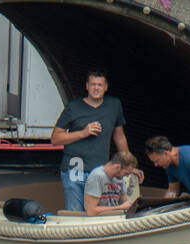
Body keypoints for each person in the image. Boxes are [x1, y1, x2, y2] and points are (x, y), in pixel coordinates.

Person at [50, 70, 136, 212]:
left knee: (98, 212)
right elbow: (55, 138)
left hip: (99, 170)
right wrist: (83, 133)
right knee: (76, 212)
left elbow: (119, 136)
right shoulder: (73, 107)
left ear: (106, 87)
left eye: (100, 85)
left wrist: (129, 166)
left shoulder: (114, 105)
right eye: (93, 84)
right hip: (75, 167)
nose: (96, 88)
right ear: (86, 86)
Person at [84, 151, 141, 215]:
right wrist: (119, 208)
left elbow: (123, 201)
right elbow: (91, 211)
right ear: (117, 167)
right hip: (100, 220)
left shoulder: (119, 178)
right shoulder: (97, 176)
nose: (127, 176)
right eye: (126, 173)